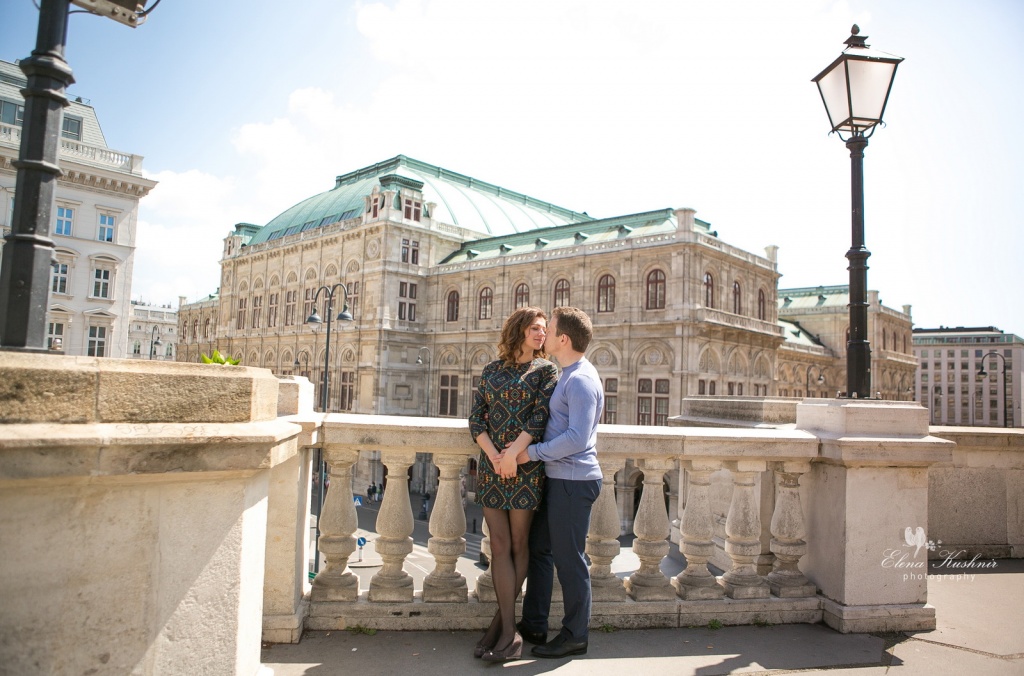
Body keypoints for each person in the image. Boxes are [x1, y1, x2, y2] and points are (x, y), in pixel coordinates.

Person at [468, 307, 558, 662]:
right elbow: (476, 419)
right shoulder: (492, 370)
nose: (541, 334)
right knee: (499, 545)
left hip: (524, 467)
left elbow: (540, 417)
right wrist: (494, 456)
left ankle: (503, 631)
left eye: (544, 329)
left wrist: (512, 455)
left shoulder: (546, 370)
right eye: (535, 328)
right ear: (519, 330)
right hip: (492, 467)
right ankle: (507, 630)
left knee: (520, 544)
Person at [514, 306, 603, 659]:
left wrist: (532, 453)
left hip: (573, 480)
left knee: (570, 562)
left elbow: (577, 439)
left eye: (549, 330)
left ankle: (575, 635)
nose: (544, 335)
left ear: (563, 339)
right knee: (541, 549)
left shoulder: (580, 379)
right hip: (561, 478)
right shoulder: (570, 374)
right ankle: (535, 622)